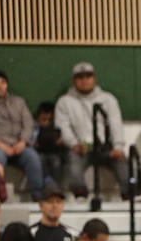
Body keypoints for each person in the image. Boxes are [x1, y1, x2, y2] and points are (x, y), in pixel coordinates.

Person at [54, 62, 131, 200]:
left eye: (88, 77)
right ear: (74, 80)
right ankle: (80, 195)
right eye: (80, 77)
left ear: (94, 79)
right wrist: (73, 144)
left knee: (122, 160)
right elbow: (62, 127)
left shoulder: (108, 99)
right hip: (80, 147)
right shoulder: (64, 102)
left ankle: (130, 195)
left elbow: (116, 125)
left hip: (105, 147)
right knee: (73, 160)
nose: (84, 81)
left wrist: (118, 147)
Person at [0, 70, 44, 200]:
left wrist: (23, 142)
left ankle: (38, 196)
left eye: (2, 82)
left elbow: (29, 124)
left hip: (19, 145)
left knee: (32, 156)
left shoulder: (19, 102)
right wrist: (0, 145)